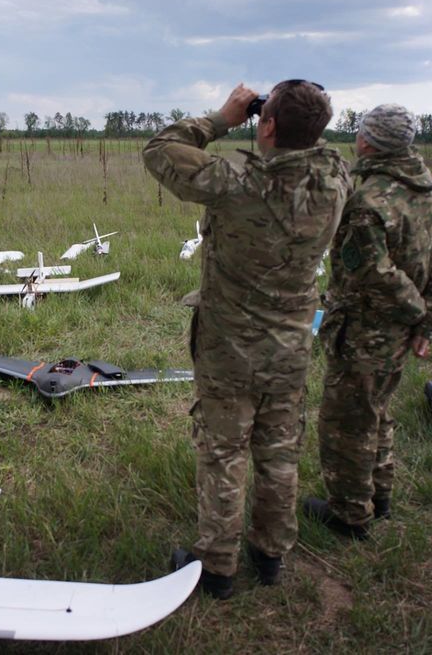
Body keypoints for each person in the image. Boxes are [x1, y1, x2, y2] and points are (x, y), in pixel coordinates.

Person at [142, 80, 350, 598]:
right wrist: (289, 119)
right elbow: (316, 149)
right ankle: (271, 553)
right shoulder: (335, 180)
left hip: (229, 348)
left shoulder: (234, 180)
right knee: (280, 452)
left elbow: (159, 149)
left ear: (268, 124)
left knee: (223, 452)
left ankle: (217, 567)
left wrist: (222, 118)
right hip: (291, 347)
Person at [304, 103, 432, 538]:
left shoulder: (368, 201)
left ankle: (350, 516)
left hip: (365, 332)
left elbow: (371, 272)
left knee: (348, 423)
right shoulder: (428, 191)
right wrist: (427, 324)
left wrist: (418, 315)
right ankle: (381, 497)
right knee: (377, 412)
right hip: (398, 334)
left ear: (368, 141)